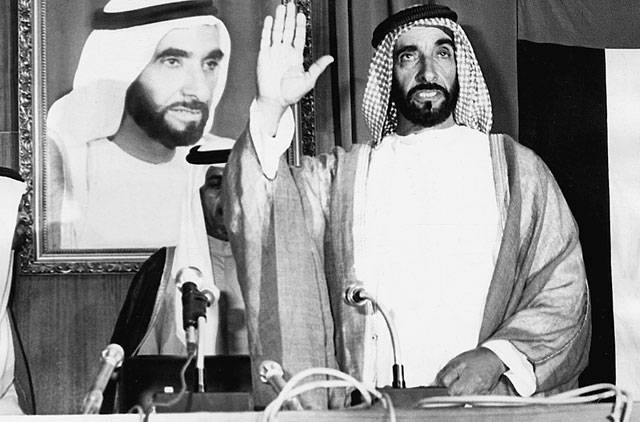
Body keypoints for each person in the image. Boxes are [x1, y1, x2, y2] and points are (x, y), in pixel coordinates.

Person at [224, 3, 591, 408]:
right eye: (408, 56)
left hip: (487, 407)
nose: (427, 71)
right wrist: (270, 108)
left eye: (442, 53)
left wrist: (497, 356)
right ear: (389, 73)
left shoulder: (516, 170)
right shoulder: (344, 177)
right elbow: (270, 209)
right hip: (374, 410)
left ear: (460, 67)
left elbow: (563, 287)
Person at [46, 0, 233, 249]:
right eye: (173, 62)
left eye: (209, 64)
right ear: (123, 68)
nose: (199, 89)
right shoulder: (70, 169)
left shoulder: (226, 162)